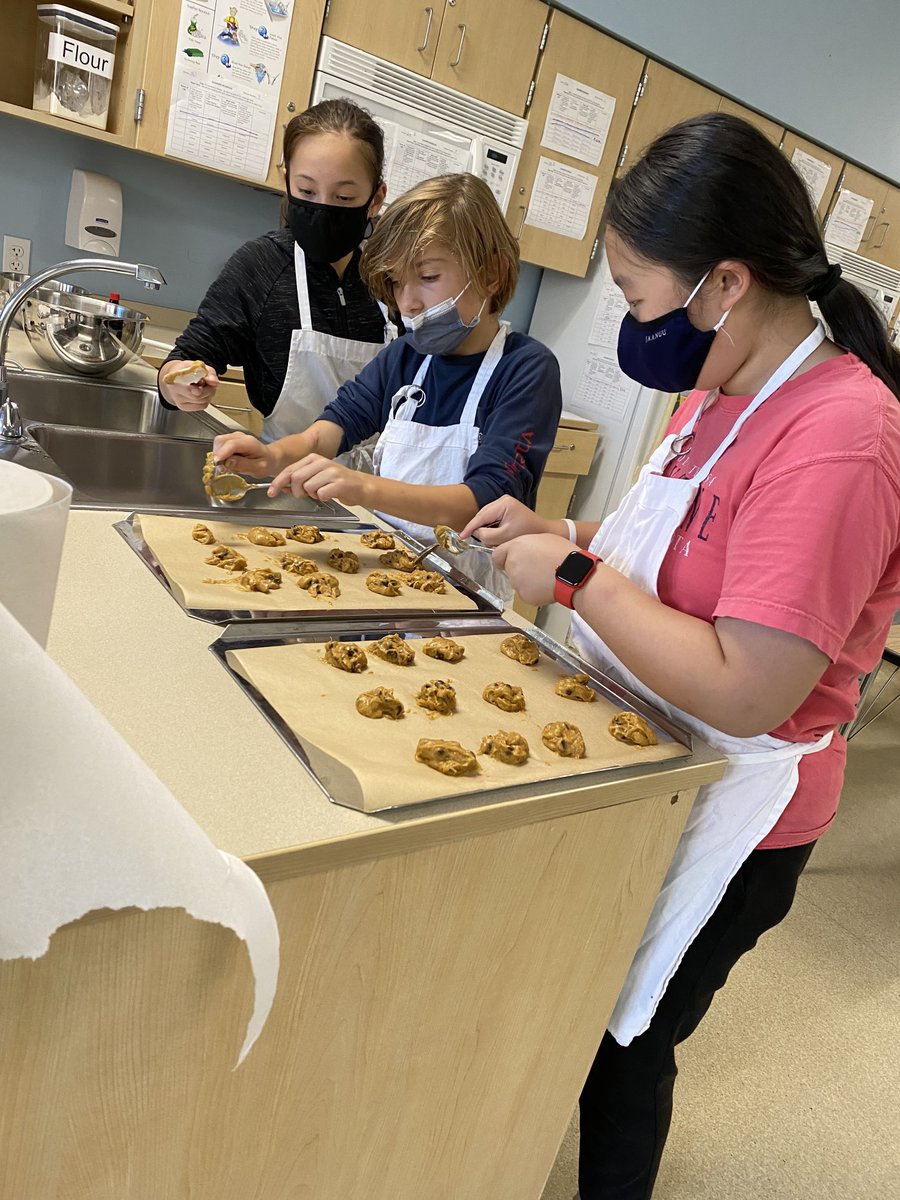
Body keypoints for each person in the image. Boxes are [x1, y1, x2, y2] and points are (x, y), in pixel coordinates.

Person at [460, 113, 900, 1199]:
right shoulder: (719, 392)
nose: (631, 319)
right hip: (654, 756)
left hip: (737, 804)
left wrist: (571, 581)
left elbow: (752, 687)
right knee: (573, 1008)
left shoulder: (841, 434)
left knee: (624, 1046)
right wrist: (569, 536)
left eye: (639, 294)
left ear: (726, 283)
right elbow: (674, 553)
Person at [212, 172, 562, 551]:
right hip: (393, 563)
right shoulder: (407, 355)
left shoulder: (526, 369)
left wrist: (362, 486)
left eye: (428, 276)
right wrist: (271, 457)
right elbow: (332, 429)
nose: (407, 302)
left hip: (469, 588)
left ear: (491, 273)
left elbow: (484, 504)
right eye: (396, 282)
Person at [158, 98, 397, 441]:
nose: (323, 209)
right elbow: (189, 355)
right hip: (286, 481)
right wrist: (179, 381)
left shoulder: (394, 280)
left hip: (376, 488)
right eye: (307, 190)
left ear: (375, 199)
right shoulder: (261, 266)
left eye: (344, 198)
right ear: (286, 181)